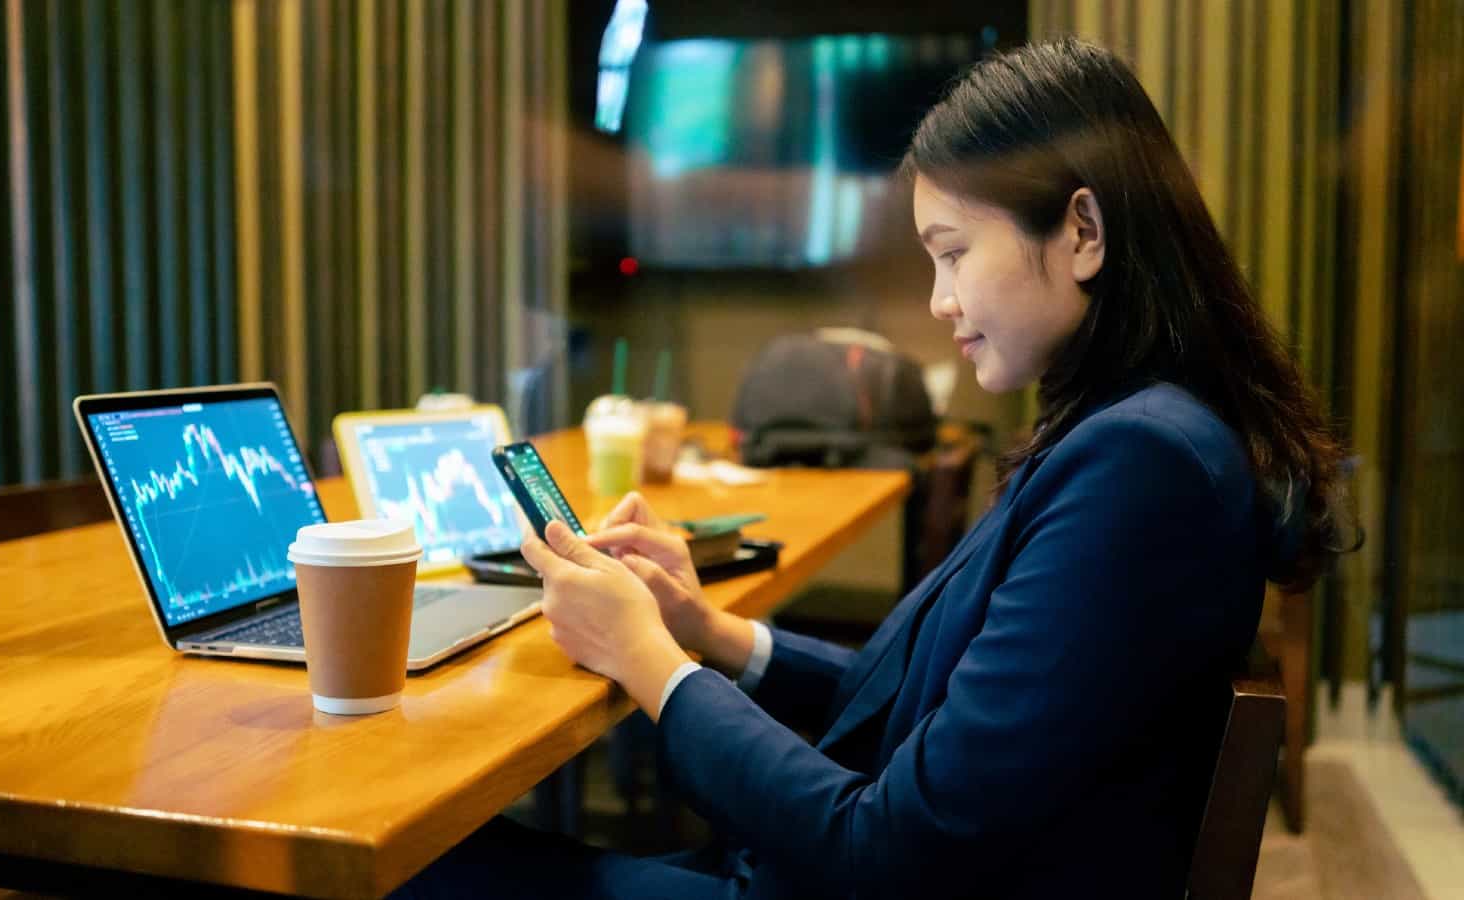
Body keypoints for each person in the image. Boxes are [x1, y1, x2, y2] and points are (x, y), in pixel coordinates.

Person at [392, 38, 1352, 899]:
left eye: (954, 254)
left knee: (403, 866)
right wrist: (707, 633)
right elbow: (946, 704)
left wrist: (645, 658)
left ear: (1083, 233)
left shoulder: (1140, 464)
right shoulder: (1140, 430)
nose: (938, 301)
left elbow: (888, 847)